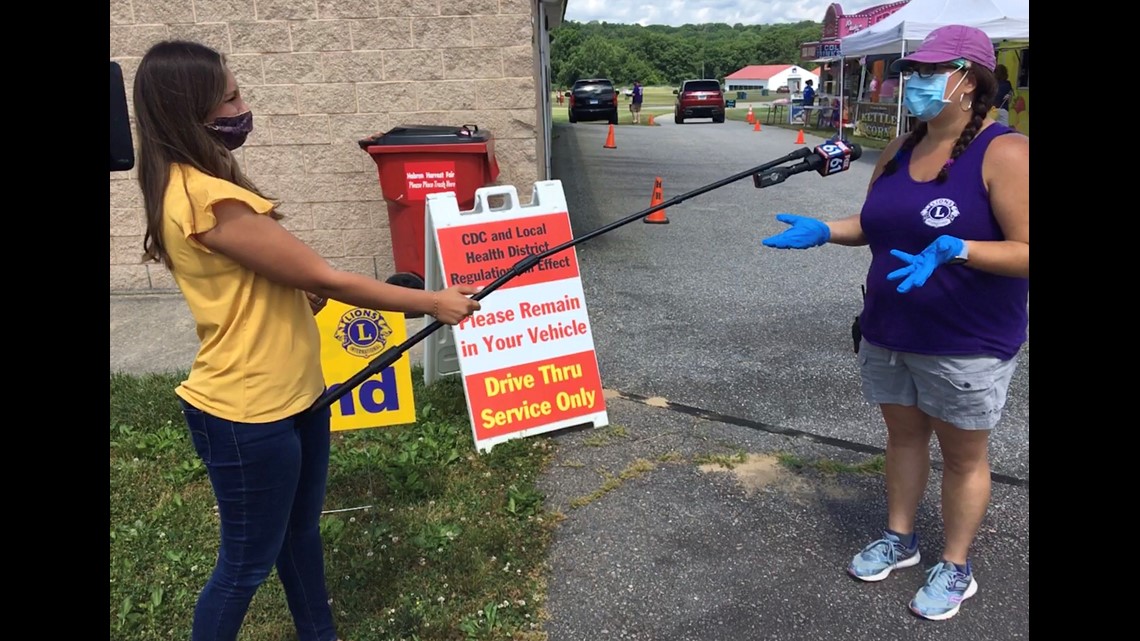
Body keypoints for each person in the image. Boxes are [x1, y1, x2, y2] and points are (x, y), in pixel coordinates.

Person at [131, 40, 482, 641]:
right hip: (248, 414)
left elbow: (269, 285)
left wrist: (297, 298)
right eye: (231, 97)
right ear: (189, 109)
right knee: (244, 567)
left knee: (300, 535)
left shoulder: (192, 185)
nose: (244, 106)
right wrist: (434, 302)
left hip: (296, 396)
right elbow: (326, 277)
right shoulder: (207, 198)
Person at [760, 25, 1028, 621]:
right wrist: (827, 229)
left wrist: (960, 249)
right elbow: (875, 222)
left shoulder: (1007, 152)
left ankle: (956, 567)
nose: (918, 82)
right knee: (904, 438)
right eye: (916, 71)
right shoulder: (903, 146)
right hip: (890, 331)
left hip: (966, 342)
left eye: (933, 71)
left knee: (962, 458)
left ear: (970, 80)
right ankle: (900, 538)